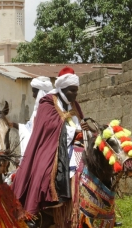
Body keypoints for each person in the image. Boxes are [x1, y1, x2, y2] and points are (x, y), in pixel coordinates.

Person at [13, 66, 87, 216]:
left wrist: (85, 127)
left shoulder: (74, 104)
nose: (74, 94)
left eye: (76, 91)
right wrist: (72, 129)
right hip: (52, 146)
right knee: (44, 172)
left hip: (76, 144)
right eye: (71, 90)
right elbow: (49, 127)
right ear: (62, 89)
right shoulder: (48, 102)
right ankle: (39, 212)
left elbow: (80, 120)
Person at [19, 76, 53, 157]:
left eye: (34, 92)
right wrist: (14, 125)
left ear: (41, 92)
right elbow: (30, 127)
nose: (33, 95)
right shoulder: (36, 112)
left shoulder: (48, 110)